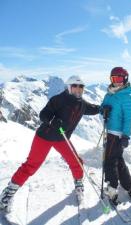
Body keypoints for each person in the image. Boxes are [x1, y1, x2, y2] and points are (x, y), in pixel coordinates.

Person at [0, 75, 100, 212]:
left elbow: (93, 109)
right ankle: (7, 194)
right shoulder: (58, 99)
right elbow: (43, 114)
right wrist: (52, 121)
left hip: (61, 139)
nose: (78, 89)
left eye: (81, 86)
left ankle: (79, 183)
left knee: (76, 161)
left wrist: (103, 109)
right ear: (69, 87)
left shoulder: (82, 104)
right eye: (75, 86)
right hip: (45, 136)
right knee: (31, 165)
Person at [100, 67, 131, 205]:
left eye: (120, 79)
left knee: (109, 162)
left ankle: (112, 190)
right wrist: (103, 110)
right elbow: (101, 108)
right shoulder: (108, 94)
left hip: (117, 135)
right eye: (114, 79)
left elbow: (128, 119)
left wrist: (126, 136)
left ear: (125, 79)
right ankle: (128, 186)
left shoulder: (128, 98)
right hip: (108, 132)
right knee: (118, 160)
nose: (117, 82)